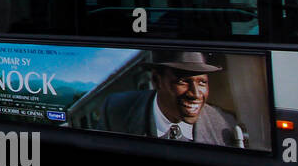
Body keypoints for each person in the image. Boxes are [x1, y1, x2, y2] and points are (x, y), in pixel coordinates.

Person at [99, 51, 245, 146]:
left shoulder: (225, 125)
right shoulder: (115, 111)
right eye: (182, 81)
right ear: (156, 81)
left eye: (202, 82)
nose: (195, 94)